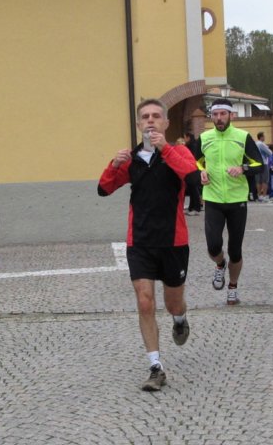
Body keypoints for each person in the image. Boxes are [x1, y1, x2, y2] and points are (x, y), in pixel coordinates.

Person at [97, 98, 197, 392]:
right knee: (144, 301)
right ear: (138, 124)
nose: (150, 120)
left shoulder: (178, 152)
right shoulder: (132, 159)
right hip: (140, 241)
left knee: (173, 302)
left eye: (156, 116)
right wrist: (114, 165)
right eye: (145, 117)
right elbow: (103, 189)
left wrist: (165, 149)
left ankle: (180, 318)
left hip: (173, 242)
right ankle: (155, 367)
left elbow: (193, 179)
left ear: (166, 123)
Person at [195, 99, 263, 305]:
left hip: (237, 200)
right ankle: (220, 264)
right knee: (213, 245)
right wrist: (201, 172)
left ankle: (233, 287)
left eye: (223, 114)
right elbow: (194, 161)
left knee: (235, 250)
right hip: (213, 198)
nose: (219, 118)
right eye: (215, 115)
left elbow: (259, 164)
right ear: (211, 117)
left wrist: (242, 168)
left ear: (231, 115)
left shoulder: (242, 137)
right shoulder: (204, 138)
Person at [183, 131, 203, 215]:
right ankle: (191, 208)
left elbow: (193, 158)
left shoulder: (193, 146)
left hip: (193, 170)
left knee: (194, 190)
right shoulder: (190, 145)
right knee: (191, 189)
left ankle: (196, 208)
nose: (184, 139)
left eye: (185, 137)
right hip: (190, 170)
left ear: (188, 137)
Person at [255, 131, 272, 202]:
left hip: (257, 163)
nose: (265, 138)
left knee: (258, 180)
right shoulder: (261, 144)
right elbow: (270, 153)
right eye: (264, 136)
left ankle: (259, 196)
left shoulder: (255, 143)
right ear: (261, 137)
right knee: (265, 180)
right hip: (263, 163)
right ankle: (264, 196)